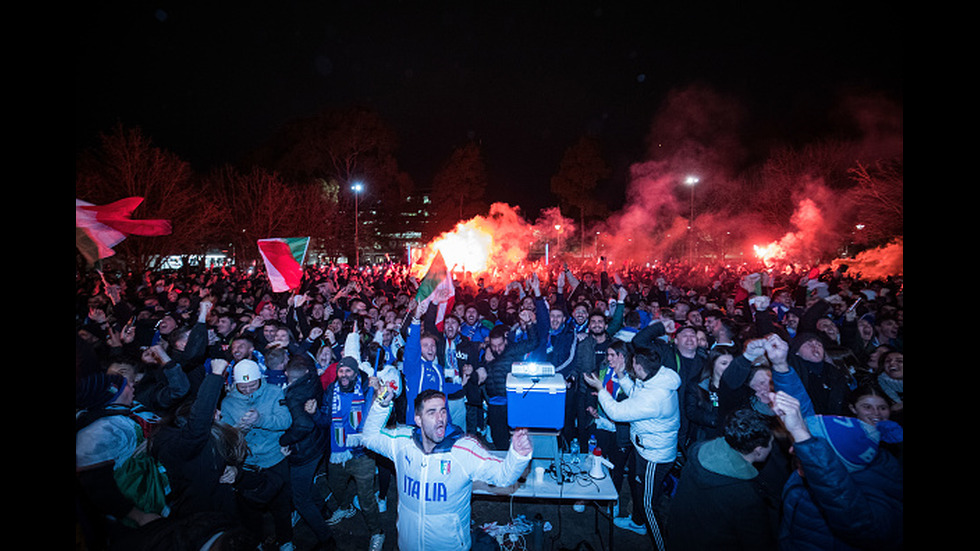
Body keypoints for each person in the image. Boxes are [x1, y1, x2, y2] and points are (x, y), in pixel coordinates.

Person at [361, 386, 533, 551]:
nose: (440, 418)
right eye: (432, 412)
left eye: (443, 411)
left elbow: (504, 477)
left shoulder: (464, 450)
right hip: (408, 545)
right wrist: (381, 405)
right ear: (418, 420)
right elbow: (369, 437)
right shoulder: (402, 443)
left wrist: (518, 455)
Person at [770, 391, 904, 550]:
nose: (794, 450)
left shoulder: (875, 489)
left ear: (834, 461)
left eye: (814, 447)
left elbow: (860, 524)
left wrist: (801, 434)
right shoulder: (801, 474)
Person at [582, 347, 680, 549]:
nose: (630, 365)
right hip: (644, 448)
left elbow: (617, 412)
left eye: (632, 362)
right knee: (638, 489)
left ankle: (662, 546)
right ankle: (636, 522)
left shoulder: (655, 398)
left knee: (648, 506)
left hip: (655, 456)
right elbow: (635, 393)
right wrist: (619, 374)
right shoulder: (655, 380)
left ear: (639, 367)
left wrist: (601, 389)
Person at [665, 408, 780, 550]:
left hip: (678, 538)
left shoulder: (699, 452)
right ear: (758, 450)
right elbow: (757, 543)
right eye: (770, 443)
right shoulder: (746, 495)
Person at [220, 359, 294, 550]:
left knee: (281, 505)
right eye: (242, 387)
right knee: (249, 509)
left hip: (274, 459)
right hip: (248, 463)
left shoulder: (274, 392)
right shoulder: (228, 403)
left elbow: (285, 421)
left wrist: (260, 419)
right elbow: (225, 435)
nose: (248, 390)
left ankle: (286, 540)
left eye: (252, 385)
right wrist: (239, 430)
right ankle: (257, 542)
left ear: (260, 379)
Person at [317, 355, 385, 551]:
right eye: (341, 371)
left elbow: (383, 409)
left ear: (355, 373)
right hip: (338, 452)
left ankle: (377, 531)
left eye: (348, 371)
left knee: (366, 501)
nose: (344, 374)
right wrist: (313, 413)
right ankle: (346, 507)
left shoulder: (366, 389)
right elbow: (324, 419)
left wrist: (379, 390)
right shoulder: (331, 390)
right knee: (335, 486)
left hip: (362, 454)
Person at [279, 354, 337, 551]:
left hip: (304, 451)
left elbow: (303, 425)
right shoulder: (312, 378)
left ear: (287, 373)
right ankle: (323, 509)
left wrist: (284, 440)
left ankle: (326, 538)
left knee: (300, 498)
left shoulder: (293, 394)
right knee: (305, 484)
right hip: (317, 445)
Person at [482, 308, 539, 450]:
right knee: (498, 439)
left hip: (512, 401)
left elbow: (533, 342)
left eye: (500, 345)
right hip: (494, 403)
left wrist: (530, 324)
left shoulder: (513, 349)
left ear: (505, 340)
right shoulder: (488, 353)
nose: (497, 349)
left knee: (518, 439)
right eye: (494, 346)